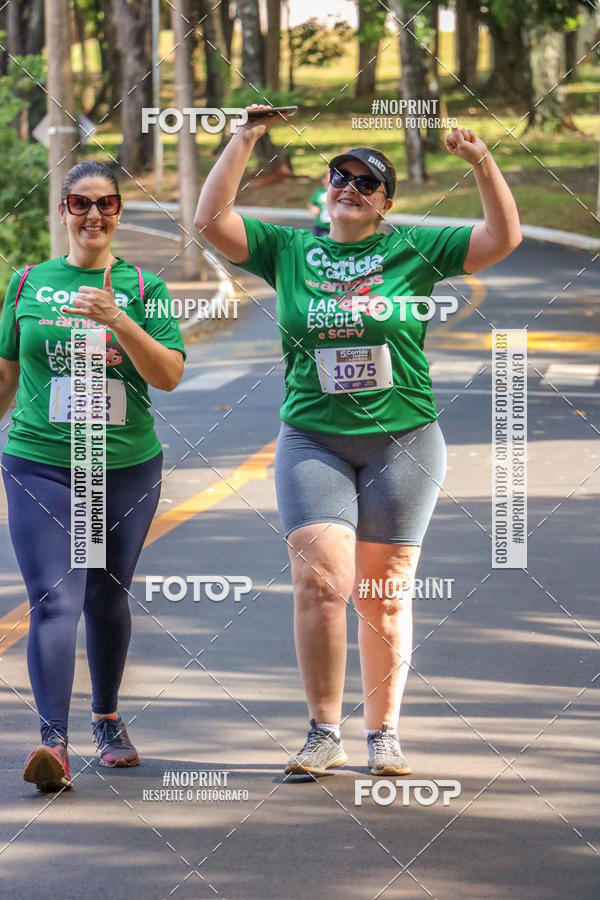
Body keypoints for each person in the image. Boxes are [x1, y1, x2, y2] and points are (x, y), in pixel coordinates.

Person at [194, 109, 521, 776]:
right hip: (313, 438)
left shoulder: (413, 250)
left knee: (386, 590)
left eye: (365, 183)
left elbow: (502, 237)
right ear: (324, 191)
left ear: (385, 203)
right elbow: (210, 222)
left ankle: (384, 733)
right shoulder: (288, 250)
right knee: (321, 581)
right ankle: (322, 730)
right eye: (338, 177)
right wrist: (245, 137)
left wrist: (482, 162)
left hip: (404, 440)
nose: (348, 187)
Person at [0, 160, 185, 792]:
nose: (93, 215)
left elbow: (167, 375)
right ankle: (52, 742)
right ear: (62, 211)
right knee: (57, 597)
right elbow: (4, 376)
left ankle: (106, 719)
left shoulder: (144, 287)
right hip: (41, 461)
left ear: (119, 213)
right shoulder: (26, 282)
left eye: (105, 204)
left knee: (107, 596)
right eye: (80, 204)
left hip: (124, 466)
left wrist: (118, 319)